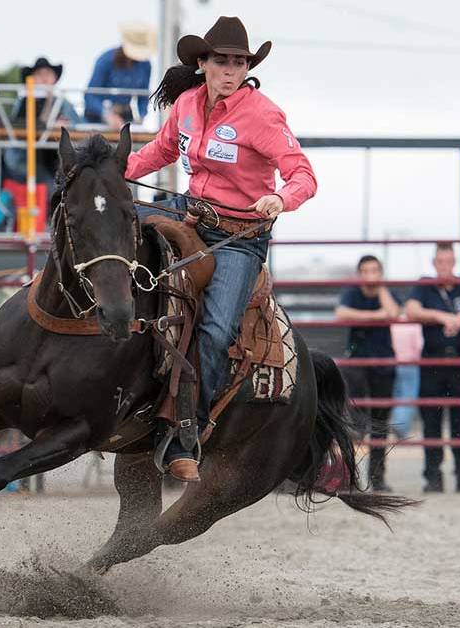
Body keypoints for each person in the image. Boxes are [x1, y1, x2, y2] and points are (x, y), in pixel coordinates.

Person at [126, 16, 316, 482]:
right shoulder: (187, 104)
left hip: (239, 236)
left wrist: (281, 198)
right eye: (222, 61)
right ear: (203, 63)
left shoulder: (263, 115)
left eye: (239, 63)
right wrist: (113, 172)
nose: (230, 70)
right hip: (189, 212)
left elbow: (303, 174)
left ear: (247, 68)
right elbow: (161, 150)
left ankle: (186, 430)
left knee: (215, 330)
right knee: (109, 229)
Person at [405, 243, 460, 493]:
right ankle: (433, 477)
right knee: (431, 422)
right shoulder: (425, 285)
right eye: (440, 262)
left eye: (449, 261)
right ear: (434, 263)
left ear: (455, 263)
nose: (445, 266)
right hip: (432, 362)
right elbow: (411, 310)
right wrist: (441, 316)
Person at [334, 255, 398, 492]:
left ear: (380, 273)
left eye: (375, 271)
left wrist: (380, 289)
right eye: (366, 271)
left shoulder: (386, 293)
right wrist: (376, 316)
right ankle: (349, 475)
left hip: (384, 363)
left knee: (381, 423)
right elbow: (341, 313)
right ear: (359, 274)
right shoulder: (352, 293)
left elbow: (393, 312)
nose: (370, 275)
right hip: (357, 364)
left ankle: (377, 477)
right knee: (354, 423)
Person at [6, 57, 82, 193]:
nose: (44, 78)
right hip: (25, 157)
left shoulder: (62, 103)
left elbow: (78, 129)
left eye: (48, 74)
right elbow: (18, 126)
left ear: (54, 78)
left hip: (53, 158)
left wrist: (64, 125)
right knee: (51, 186)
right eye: (40, 74)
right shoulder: (24, 101)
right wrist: (49, 123)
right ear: (32, 79)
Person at [85, 23, 156, 128]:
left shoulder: (145, 65)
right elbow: (90, 96)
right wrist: (107, 115)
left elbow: (143, 96)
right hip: (98, 117)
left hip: (126, 116)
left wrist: (141, 116)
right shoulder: (106, 60)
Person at [388, 317, 422, 438]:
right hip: (411, 363)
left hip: (394, 363)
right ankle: (400, 426)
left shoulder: (393, 324)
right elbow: (419, 345)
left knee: (397, 394)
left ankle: (396, 422)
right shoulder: (414, 324)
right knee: (409, 395)